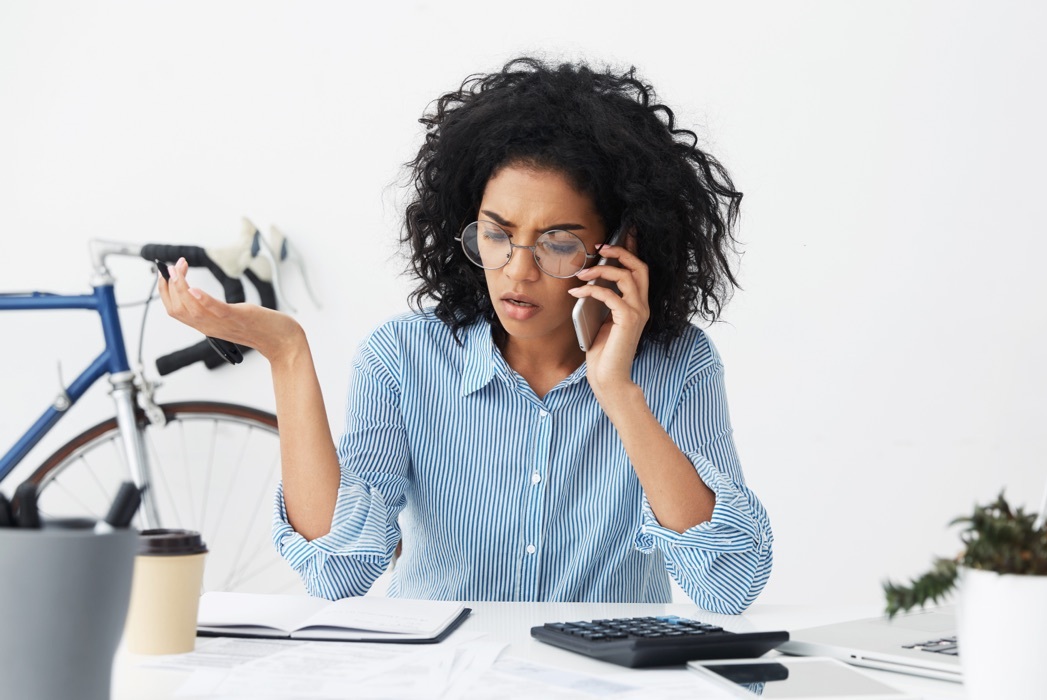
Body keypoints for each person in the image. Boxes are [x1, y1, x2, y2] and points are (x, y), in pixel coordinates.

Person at [158, 57, 772, 615]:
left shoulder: (678, 364)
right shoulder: (404, 357)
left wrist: (615, 387)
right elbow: (336, 569)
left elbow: (730, 583)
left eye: (558, 242)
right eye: (497, 233)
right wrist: (286, 353)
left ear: (619, 248)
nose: (519, 270)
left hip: (603, 680)